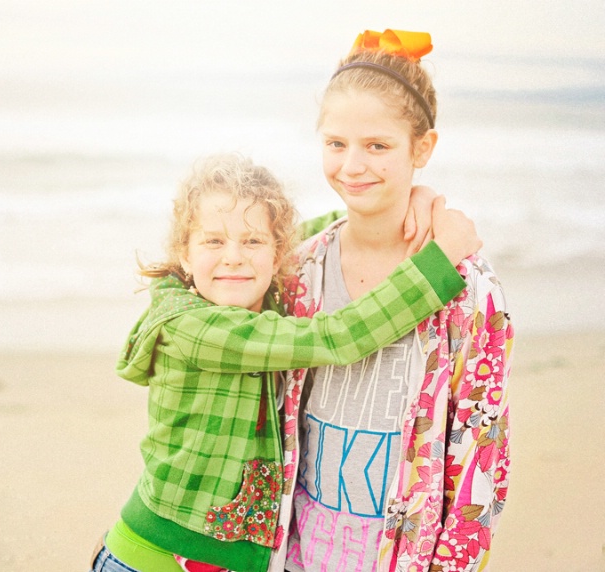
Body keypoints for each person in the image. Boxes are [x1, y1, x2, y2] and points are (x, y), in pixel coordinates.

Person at [90, 152, 482, 572]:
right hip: (154, 560)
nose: (234, 257)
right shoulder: (195, 329)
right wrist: (442, 257)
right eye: (213, 241)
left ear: (279, 253)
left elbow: (343, 229)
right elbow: (340, 337)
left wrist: (410, 201)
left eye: (254, 241)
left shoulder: (262, 296)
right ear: (184, 255)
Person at [277, 30, 514, 571]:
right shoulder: (300, 271)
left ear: (422, 148)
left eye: (377, 146)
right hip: (298, 552)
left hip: (401, 557)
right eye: (336, 144)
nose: (352, 166)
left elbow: (482, 452)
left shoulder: (468, 289)